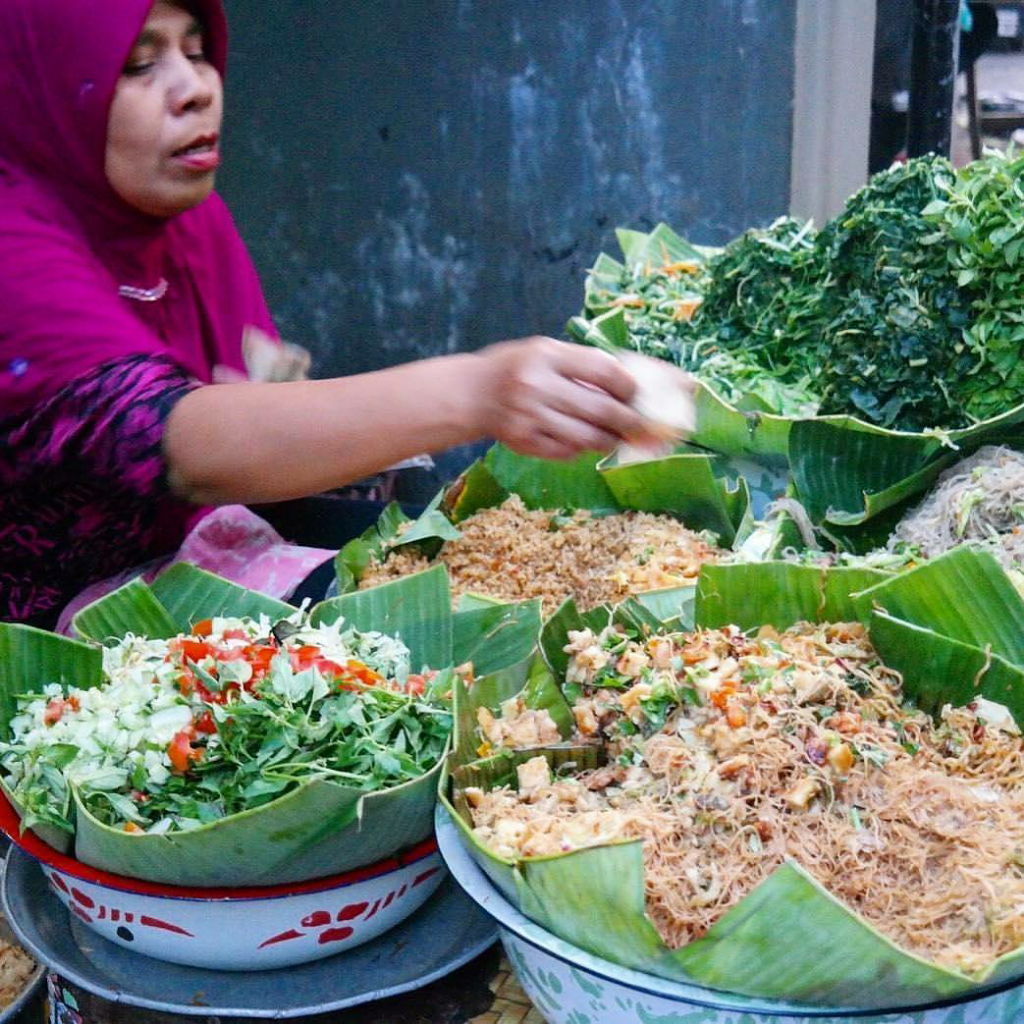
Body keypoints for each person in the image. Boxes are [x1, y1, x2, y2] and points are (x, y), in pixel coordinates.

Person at [0, 0, 654, 629]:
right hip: (54, 648)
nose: (195, 89)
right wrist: (479, 391)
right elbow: (178, 443)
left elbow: (246, 425)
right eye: (138, 65)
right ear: (47, 88)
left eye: (197, 53)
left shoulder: (184, 220)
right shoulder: (14, 247)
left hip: (198, 561)